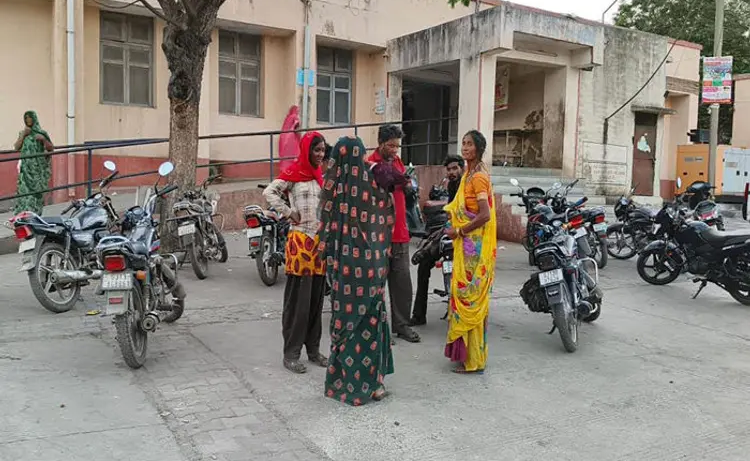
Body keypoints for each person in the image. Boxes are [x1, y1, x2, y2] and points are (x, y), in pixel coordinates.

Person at [319, 136, 395, 406]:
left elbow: (323, 231)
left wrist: (328, 259)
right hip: (371, 271)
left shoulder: (331, 189)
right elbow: (389, 216)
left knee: (344, 325)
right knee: (370, 325)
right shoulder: (373, 188)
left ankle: (341, 383)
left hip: (343, 273)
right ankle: (373, 384)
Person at [263, 131, 329, 374]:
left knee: (316, 302)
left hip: (319, 245)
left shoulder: (321, 177)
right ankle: (291, 354)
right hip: (300, 242)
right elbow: (269, 192)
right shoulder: (293, 173)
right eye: (316, 150)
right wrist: (289, 212)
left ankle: (313, 350)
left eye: (323, 150)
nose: (320, 154)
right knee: (298, 303)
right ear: (307, 151)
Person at [443, 130, 497, 374]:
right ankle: (466, 354)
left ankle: (474, 359)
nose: (465, 147)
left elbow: (484, 215)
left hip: (473, 247)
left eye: (469, 144)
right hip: (467, 246)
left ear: (479, 149)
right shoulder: (469, 174)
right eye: (463, 143)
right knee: (463, 296)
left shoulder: (478, 178)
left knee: (469, 297)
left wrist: (459, 231)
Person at [366, 125, 421, 344]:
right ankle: (378, 328)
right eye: (391, 145)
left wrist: (407, 186)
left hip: (399, 232)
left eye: (397, 146)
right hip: (378, 235)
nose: (395, 150)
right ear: (380, 143)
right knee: (376, 285)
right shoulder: (370, 164)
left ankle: (402, 325)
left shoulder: (398, 162)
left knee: (402, 283)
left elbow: (405, 188)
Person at [409, 155, 464, 326]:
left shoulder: (467, 185)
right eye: (449, 169)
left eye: (455, 168)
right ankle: (419, 315)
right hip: (450, 231)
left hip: (466, 236)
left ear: (462, 168)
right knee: (424, 264)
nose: (452, 172)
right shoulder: (452, 185)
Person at [13, 111, 54, 215]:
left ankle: (35, 214)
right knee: (24, 192)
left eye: (30, 117)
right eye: (26, 118)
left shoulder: (42, 133)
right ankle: (23, 215)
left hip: (37, 169)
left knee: (37, 193)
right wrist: (23, 135)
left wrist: (43, 140)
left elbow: (51, 148)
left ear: (34, 119)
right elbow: (16, 147)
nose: (28, 120)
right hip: (25, 169)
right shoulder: (23, 133)